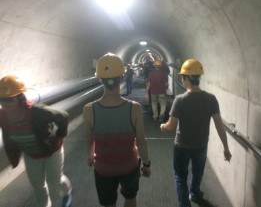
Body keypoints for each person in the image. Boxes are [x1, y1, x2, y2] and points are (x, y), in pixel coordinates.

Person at [160, 59, 232, 207]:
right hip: (201, 145)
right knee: (197, 172)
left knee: (180, 176)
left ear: (185, 78)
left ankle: (185, 204)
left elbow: (171, 126)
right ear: (199, 78)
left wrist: (163, 126)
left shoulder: (180, 100)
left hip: (181, 146)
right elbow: (219, 126)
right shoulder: (211, 99)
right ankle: (195, 192)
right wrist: (226, 148)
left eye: (182, 76)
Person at [82, 53, 151, 207]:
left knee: (108, 203)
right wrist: (146, 164)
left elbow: (89, 140)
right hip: (129, 166)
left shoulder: (89, 110)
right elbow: (141, 141)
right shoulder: (135, 108)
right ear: (122, 78)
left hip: (103, 167)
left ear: (100, 79)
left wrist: (90, 155)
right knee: (130, 198)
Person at [0, 75, 72, 207]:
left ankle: (67, 193)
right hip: (31, 155)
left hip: (51, 151)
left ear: (20, 98)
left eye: (10, 99)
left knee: (55, 181)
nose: (5, 103)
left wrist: (61, 135)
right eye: (2, 99)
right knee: (38, 186)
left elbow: (63, 116)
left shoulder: (36, 111)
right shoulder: (2, 116)